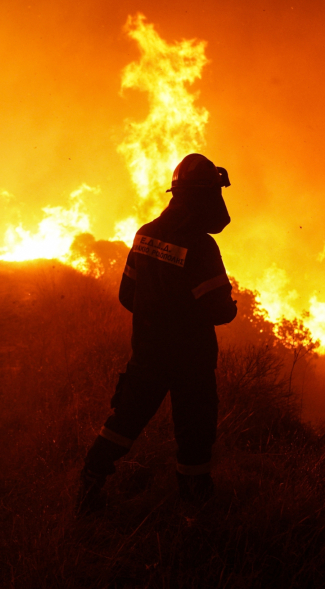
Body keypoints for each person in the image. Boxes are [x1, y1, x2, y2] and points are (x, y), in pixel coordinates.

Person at [77, 153, 237, 512]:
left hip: (147, 352)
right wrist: (224, 306)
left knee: (125, 420)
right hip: (191, 362)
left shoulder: (145, 234)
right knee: (194, 434)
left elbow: (127, 294)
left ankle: (89, 482)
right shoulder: (201, 247)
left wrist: (157, 316)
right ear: (202, 196)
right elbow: (220, 311)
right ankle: (195, 509)